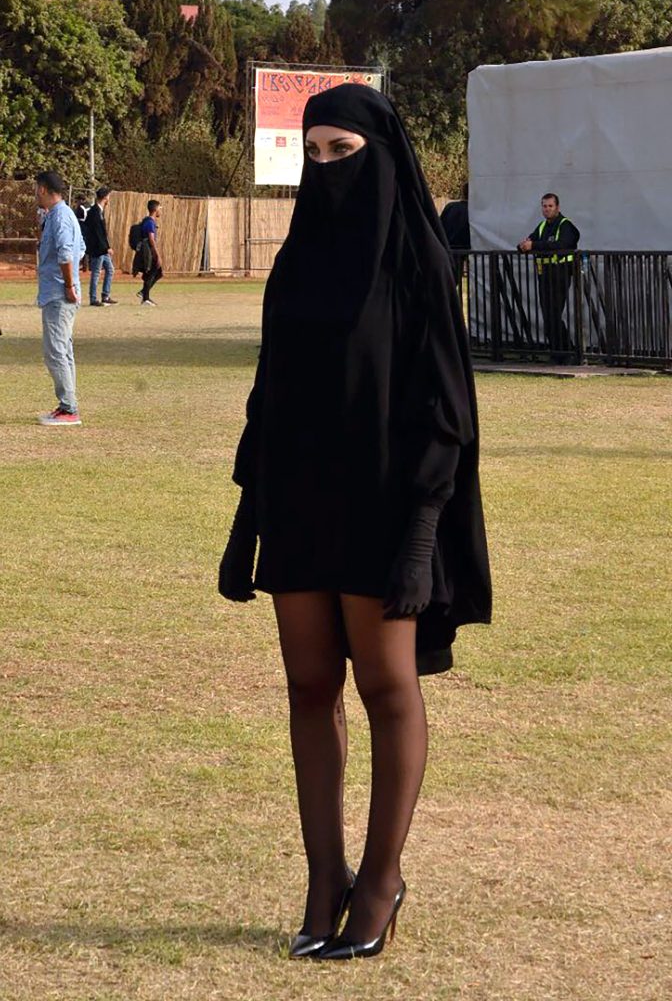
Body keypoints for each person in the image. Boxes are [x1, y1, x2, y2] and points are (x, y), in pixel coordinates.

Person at [219, 85, 491, 961]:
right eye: (316, 155)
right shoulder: (295, 264)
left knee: (384, 685)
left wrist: (421, 538)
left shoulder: (416, 262)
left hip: (383, 504)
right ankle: (322, 876)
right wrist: (245, 519)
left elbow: (446, 411)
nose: (330, 170)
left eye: (345, 152)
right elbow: (270, 397)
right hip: (298, 502)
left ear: (382, 154)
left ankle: (380, 881)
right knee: (307, 686)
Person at [35, 170, 86, 426]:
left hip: (59, 294)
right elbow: (81, 249)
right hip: (58, 291)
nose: (35, 194)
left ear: (43, 189)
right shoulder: (59, 215)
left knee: (55, 351)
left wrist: (68, 283)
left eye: (36, 189)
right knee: (63, 350)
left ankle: (68, 409)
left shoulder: (60, 217)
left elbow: (67, 253)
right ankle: (67, 404)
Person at [518, 193, 580, 361]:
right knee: (548, 315)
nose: (547, 209)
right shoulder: (542, 226)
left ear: (557, 208)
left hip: (560, 273)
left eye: (550, 206)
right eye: (544, 206)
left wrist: (535, 245)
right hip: (544, 274)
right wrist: (524, 245)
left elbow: (562, 244)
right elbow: (530, 241)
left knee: (554, 313)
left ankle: (567, 351)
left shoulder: (566, 225)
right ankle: (557, 352)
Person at [84, 186, 117, 307]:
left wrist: (108, 246)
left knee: (110, 269)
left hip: (103, 248)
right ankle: (93, 298)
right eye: (108, 196)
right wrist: (105, 248)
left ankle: (105, 295)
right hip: (97, 249)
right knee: (96, 273)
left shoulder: (100, 211)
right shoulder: (94, 212)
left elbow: (103, 233)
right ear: (105, 197)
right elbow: (97, 233)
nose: (109, 198)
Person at [440, 183, 471, 284]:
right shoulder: (472, 211)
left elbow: (440, 225)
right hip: (462, 249)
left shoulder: (450, 207)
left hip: (447, 248)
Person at [134, 200, 163, 306]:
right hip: (148, 251)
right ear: (155, 209)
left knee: (157, 273)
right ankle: (145, 298)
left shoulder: (149, 221)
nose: (161, 210)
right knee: (152, 273)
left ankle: (144, 293)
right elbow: (151, 239)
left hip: (148, 250)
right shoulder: (150, 222)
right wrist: (157, 254)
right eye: (160, 208)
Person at [72, 194, 89, 271]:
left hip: (82, 228)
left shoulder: (81, 208)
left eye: (78, 200)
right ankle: (85, 264)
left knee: (81, 246)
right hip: (86, 228)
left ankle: (84, 264)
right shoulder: (88, 206)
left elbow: (81, 218)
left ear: (81, 200)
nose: (77, 202)